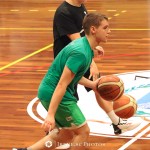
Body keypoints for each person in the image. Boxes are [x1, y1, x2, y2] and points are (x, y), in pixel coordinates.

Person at [13, 12, 112, 150]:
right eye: (105, 28)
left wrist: (93, 85)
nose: (109, 31)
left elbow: (74, 78)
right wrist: (50, 115)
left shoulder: (86, 47)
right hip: (55, 93)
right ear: (93, 30)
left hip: (51, 91)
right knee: (83, 131)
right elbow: (62, 83)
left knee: (65, 135)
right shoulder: (81, 53)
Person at [53, 0, 142, 135]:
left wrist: (94, 47)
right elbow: (77, 41)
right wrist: (92, 63)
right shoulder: (63, 13)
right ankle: (52, 131)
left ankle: (117, 123)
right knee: (66, 99)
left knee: (99, 85)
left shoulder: (80, 6)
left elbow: (87, 34)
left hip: (81, 56)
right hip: (69, 61)